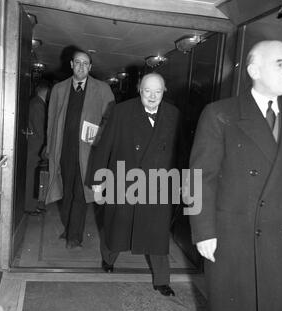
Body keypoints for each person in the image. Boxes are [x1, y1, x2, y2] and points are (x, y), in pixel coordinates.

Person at [189, 40, 282, 311]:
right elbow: (198, 177)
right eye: (280, 62)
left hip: (281, 240)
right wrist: (203, 231)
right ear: (253, 70)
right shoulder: (220, 112)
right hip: (231, 237)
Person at [89, 73, 180, 296]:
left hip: (158, 186)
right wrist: (98, 182)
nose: (152, 96)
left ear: (164, 91)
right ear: (140, 89)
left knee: (158, 235)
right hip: (124, 182)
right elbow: (105, 147)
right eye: (147, 90)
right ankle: (108, 259)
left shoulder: (173, 114)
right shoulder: (121, 111)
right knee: (116, 227)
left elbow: (180, 152)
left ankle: (162, 280)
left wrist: (182, 183)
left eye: (157, 91)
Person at [45, 50, 115, 248]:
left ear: (90, 67)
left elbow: (111, 121)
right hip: (63, 150)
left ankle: (74, 236)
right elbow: (51, 120)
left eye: (86, 63)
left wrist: (99, 138)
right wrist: (50, 148)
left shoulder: (102, 89)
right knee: (65, 192)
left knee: (81, 192)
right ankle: (69, 228)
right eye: (78, 62)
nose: (82, 66)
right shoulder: (59, 89)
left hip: (88, 153)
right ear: (71, 64)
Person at [25, 81, 50, 215]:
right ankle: (29, 206)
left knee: (35, 177)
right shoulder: (38, 105)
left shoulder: (37, 103)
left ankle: (34, 204)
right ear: (45, 91)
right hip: (36, 147)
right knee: (32, 177)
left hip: (35, 146)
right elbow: (40, 128)